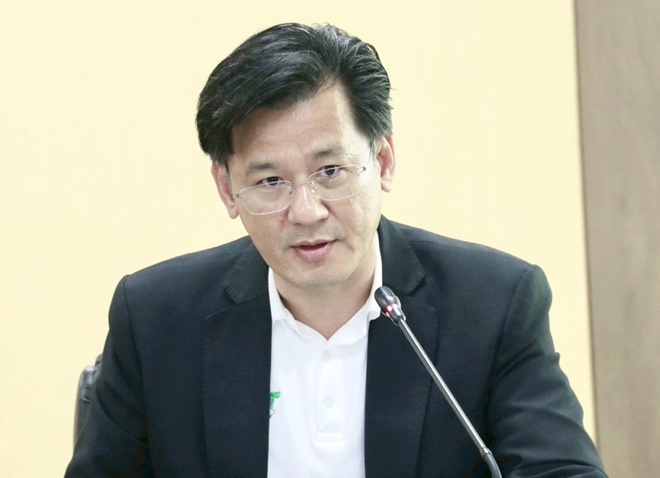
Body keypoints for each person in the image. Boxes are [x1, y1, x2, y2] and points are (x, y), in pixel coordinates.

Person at [66, 23, 607, 477]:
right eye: (271, 181)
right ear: (228, 189)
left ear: (383, 162)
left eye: (330, 171)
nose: (306, 211)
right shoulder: (156, 319)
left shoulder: (492, 305)